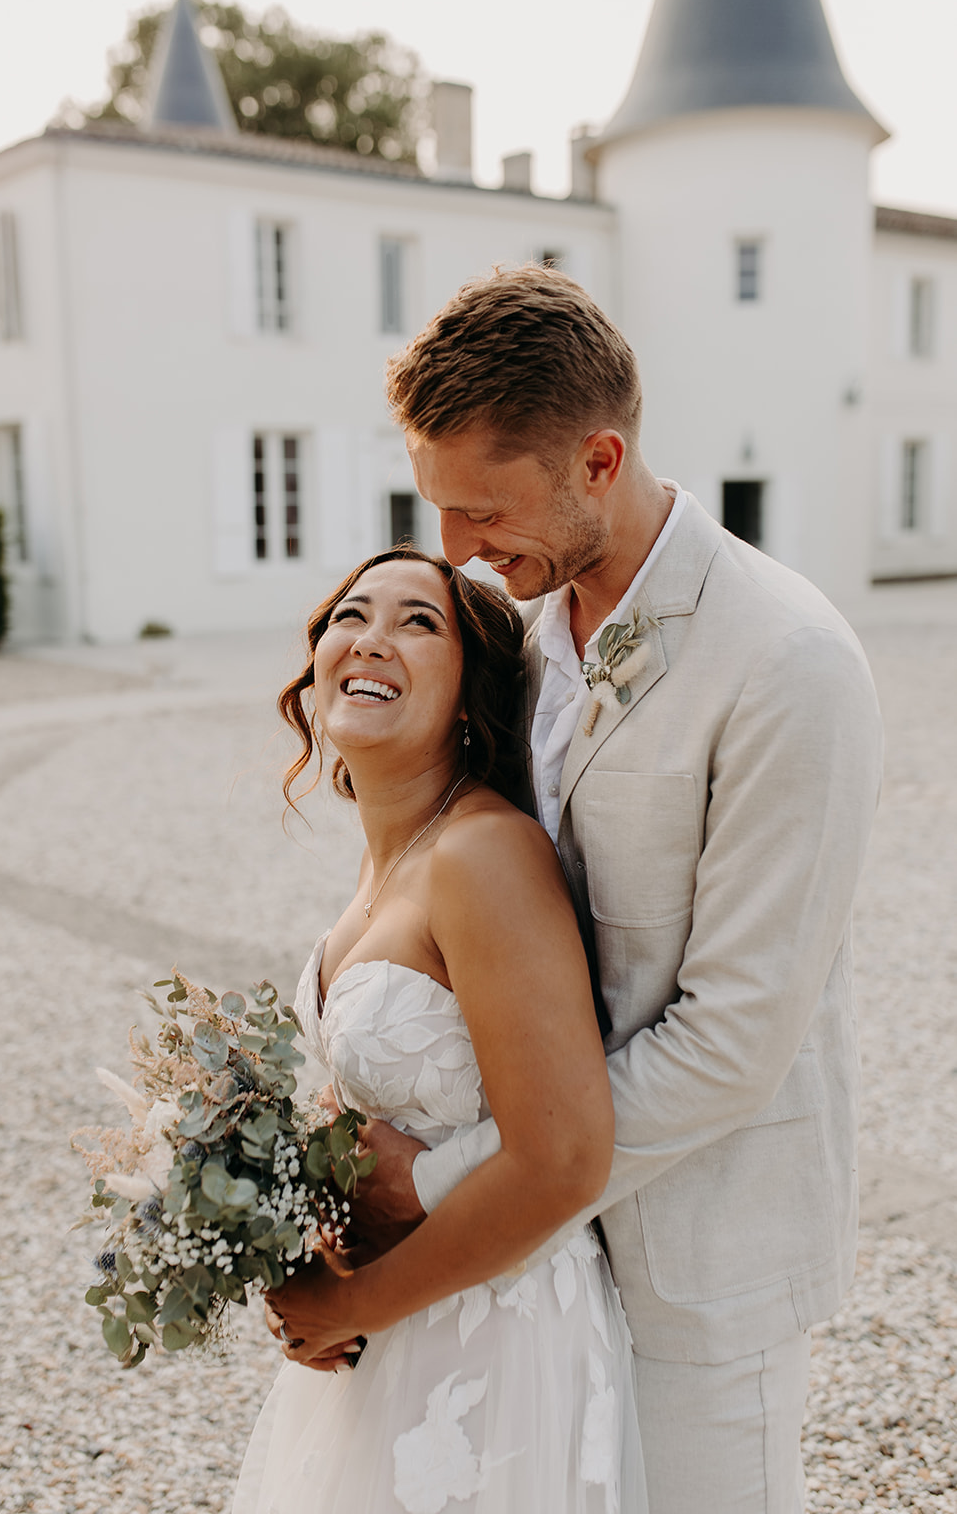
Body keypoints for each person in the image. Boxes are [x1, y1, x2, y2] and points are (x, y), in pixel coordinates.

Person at [324, 265, 884, 1514]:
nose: (457, 551)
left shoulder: (785, 665)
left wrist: (448, 1178)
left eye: (481, 513)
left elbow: (733, 1039)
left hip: (699, 1265)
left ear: (598, 459)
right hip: (527, 1278)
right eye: (439, 510)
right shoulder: (521, 632)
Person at [234, 548, 649, 1513]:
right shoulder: (382, 872)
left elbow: (562, 1159)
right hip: (400, 1325)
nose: (371, 637)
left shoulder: (484, 854)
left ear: (470, 701)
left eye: (419, 623)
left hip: (492, 1342)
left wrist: (346, 1306)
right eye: (351, 614)